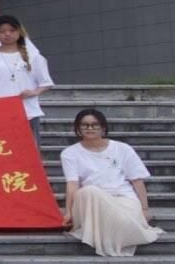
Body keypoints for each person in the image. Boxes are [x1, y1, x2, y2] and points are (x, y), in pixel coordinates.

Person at [61, 109, 164, 256]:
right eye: (85, 125)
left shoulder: (122, 149)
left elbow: (136, 180)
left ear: (103, 127)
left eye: (95, 124)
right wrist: (69, 212)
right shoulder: (69, 153)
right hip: (92, 201)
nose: (90, 128)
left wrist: (145, 209)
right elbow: (72, 184)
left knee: (122, 221)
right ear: (78, 128)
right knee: (89, 191)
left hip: (123, 198)